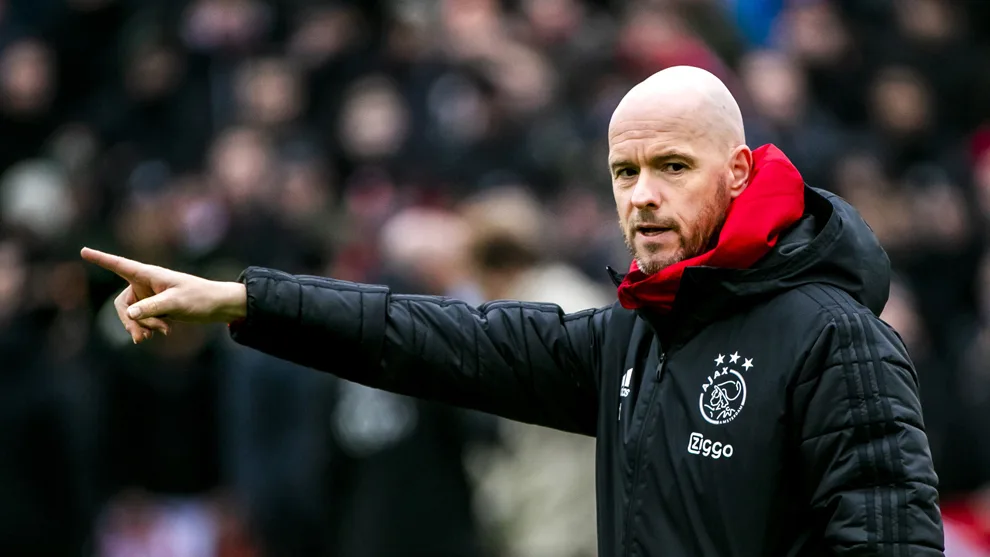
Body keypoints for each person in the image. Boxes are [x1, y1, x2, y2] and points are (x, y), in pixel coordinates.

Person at [82, 66, 945, 556]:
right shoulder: (636, 338)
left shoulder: (836, 338)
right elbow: (435, 337)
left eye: (672, 167)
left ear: (743, 172)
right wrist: (247, 299)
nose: (641, 197)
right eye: (624, 172)